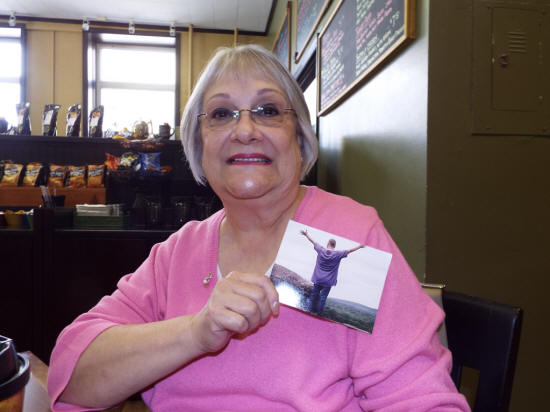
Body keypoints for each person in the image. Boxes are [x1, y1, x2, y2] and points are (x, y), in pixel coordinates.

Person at [47, 44, 470, 411]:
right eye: (221, 114)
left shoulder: (339, 234)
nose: (245, 130)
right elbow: (73, 376)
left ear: (299, 138)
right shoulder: (180, 253)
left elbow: (419, 400)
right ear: (199, 143)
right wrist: (194, 333)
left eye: (268, 111)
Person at [300, 229, 364, 315]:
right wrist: (359, 247)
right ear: (334, 245)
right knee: (322, 299)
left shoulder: (321, 250)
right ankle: (318, 315)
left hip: (318, 278)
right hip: (328, 281)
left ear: (328, 243)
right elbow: (349, 251)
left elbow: (313, 242)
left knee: (313, 296)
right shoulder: (338, 254)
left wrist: (306, 235)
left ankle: (307, 312)